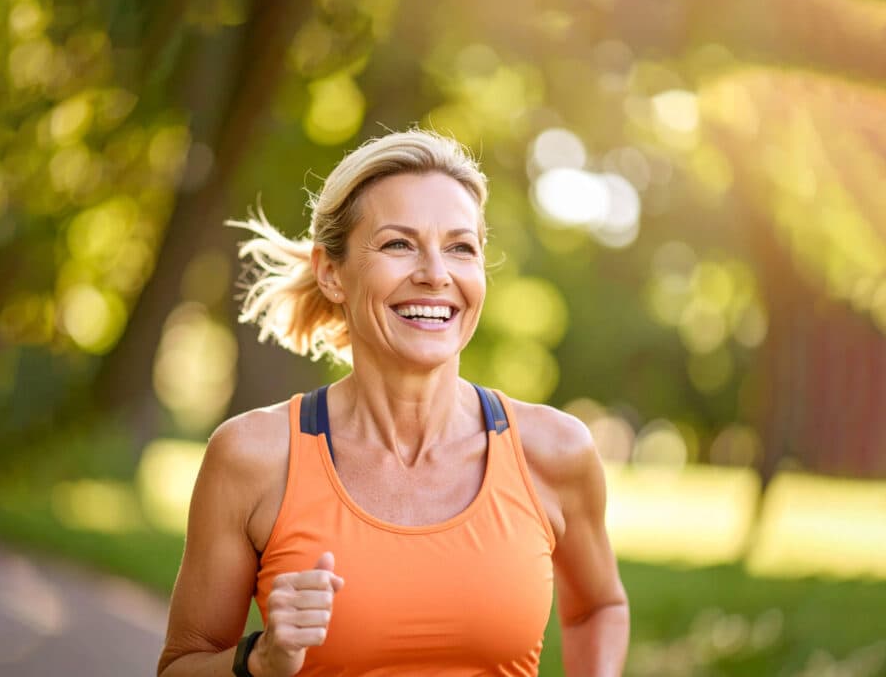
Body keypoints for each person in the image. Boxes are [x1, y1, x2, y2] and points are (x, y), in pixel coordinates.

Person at [157, 129, 629, 677]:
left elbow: (599, 607)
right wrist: (258, 660)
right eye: (399, 244)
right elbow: (178, 668)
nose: (436, 274)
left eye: (460, 247)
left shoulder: (555, 451)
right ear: (331, 272)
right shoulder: (254, 458)